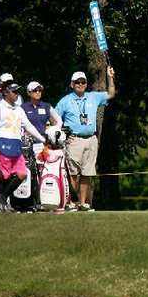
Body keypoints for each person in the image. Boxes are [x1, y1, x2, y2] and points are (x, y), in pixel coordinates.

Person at [55, 67, 116, 211]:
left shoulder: (93, 96)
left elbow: (111, 94)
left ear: (86, 84)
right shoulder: (66, 100)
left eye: (83, 82)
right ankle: (71, 202)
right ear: (72, 84)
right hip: (74, 140)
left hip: (91, 139)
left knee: (87, 172)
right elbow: (55, 117)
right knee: (73, 173)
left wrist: (110, 77)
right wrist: (63, 135)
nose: (80, 85)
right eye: (77, 82)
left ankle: (83, 203)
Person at [0, 81, 45, 212]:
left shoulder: (19, 109)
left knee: (22, 173)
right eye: (14, 91)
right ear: (5, 92)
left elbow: (28, 126)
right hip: (3, 146)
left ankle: (1, 198)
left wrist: (42, 139)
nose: (17, 94)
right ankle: (2, 203)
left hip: (16, 147)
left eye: (18, 91)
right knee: (5, 177)